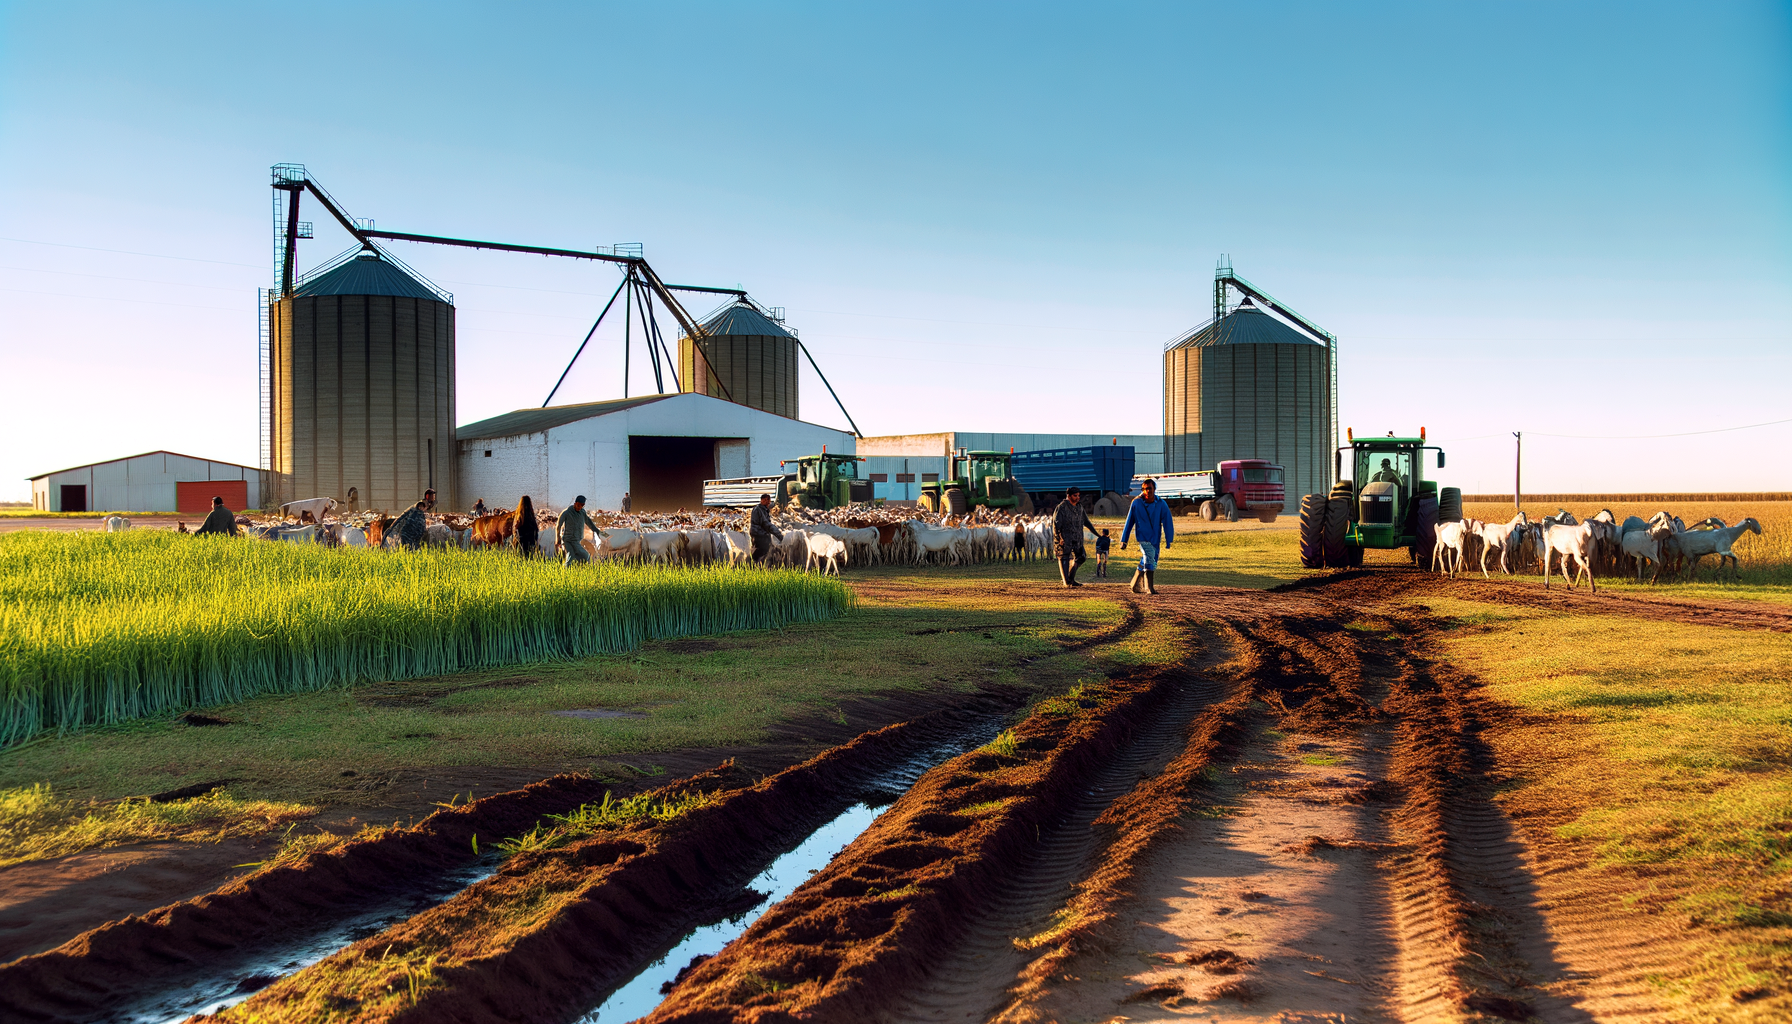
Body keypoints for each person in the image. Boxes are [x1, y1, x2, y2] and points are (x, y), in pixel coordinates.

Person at [1120, 477, 1174, 595]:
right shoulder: (1136, 503)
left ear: (1154, 489)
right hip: (1143, 537)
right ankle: (1149, 588)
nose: (1147, 491)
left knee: (1151, 560)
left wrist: (1169, 539)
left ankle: (1134, 584)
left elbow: (1167, 521)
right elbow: (1129, 522)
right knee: (1149, 558)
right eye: (1144, 489)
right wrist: (1124, 540)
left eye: (1149, 488)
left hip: (1155, 538)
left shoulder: (1161, 504)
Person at [1051, 486, 1098, 587]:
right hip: (1064, 539)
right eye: (1075, 495)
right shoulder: (1061, 508)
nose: (1078, 497)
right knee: (1064, 557)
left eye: (1078, 495)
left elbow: (1086, 522)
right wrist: (1060, 538)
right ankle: (1066, 581)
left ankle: (1071, 579)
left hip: (1077, 538)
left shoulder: (1079, 507)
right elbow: (1056, 524)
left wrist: (1098, 535)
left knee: (1081, 557)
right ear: (1069, 496)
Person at [558, 495, 598, 566]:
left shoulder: (582, 513)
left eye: (582, 505)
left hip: (577, 540)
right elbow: (559, 525)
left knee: (574, 557)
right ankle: (565, 571)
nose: (579, 507)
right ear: (575, 503)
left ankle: (570, 571)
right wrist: (558, 539)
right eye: (578, 505)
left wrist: (597, 531)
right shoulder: (567, 512)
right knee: (585, 556)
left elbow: (588, 522)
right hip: (568, 540)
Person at [750, 493, 783, 564]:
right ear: (763, 500)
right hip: (759, 534)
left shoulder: (763, 510)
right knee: (762, 550)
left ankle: (757, 565)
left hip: (760, 534)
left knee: (763, 551)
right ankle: (756, 565)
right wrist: (779, 535)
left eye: (769, 500)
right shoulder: (759, 510)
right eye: (767, 500)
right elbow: (766, 524)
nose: (769, 502)